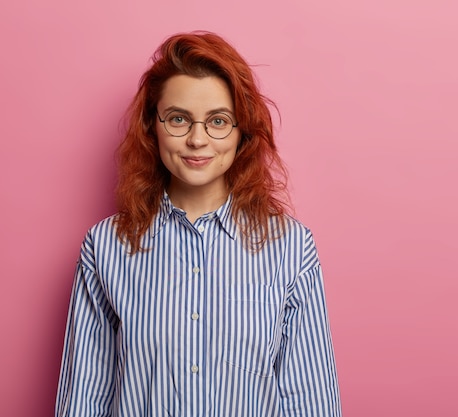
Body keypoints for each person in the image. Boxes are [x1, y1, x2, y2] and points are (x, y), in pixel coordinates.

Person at [56, 31, 341, 417]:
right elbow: (83, 399)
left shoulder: (290, 247)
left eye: (218, 121)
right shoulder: (105, 246)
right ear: (151, 126)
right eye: (178, 119)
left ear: (242, 132)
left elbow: (310, 401)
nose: (197, 139)